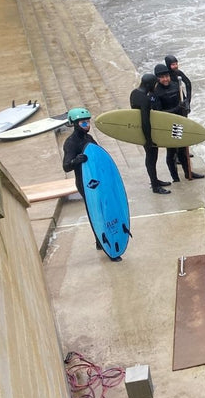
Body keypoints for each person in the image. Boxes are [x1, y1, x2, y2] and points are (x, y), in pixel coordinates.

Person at [62, 107, 120, 260]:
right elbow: (66, 166)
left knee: (105, 208)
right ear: (74, 124)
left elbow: (98, 155)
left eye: (88, 122)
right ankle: (102, 241)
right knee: (96, 212)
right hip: (85, 184)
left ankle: (101, 240)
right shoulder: (71, 143)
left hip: (98, 180)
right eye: (83, 123)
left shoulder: (88, 138)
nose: (87, 125)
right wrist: (76, 160)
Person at [152, 62, 203, 182]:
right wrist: (177, 108)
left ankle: (188, 172)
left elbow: (184, 100)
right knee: (171, 152)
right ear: (158, 78)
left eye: (167, 76)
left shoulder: (176, 86)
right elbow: (159, 113)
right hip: (168, 126)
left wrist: (185, 106)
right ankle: (175, 178)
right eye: (162, 77)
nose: (165, 79)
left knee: (183, 150)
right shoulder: (156, 93)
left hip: (179, 123)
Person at [129, 73, 170, 194]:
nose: (155, 86)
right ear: (149, 84)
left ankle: (155, 181)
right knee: (152, 157)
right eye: (154, 84)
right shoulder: (145, 99)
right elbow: (145, 121)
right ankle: (155, 186)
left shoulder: (134, 93)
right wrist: (149, 139)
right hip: (146, 132)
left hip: (139, 130)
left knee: (151, 157)